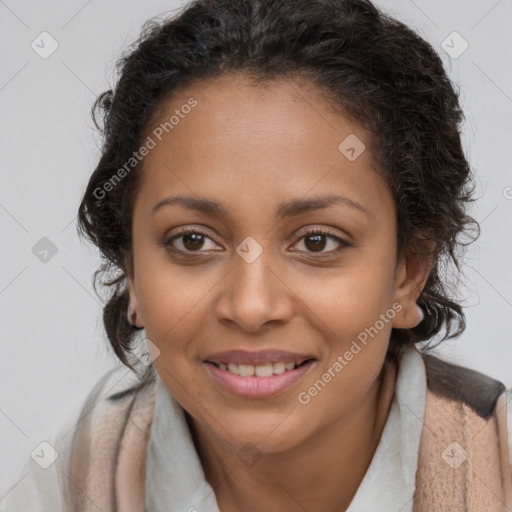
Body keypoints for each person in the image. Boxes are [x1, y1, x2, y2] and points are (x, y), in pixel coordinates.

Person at [2, 0, 511, 510]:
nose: (250, 307)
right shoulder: (76, 478)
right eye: (192, 240)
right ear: (131, 270)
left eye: (317, 241)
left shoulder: (499, 466)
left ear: (408, 272)